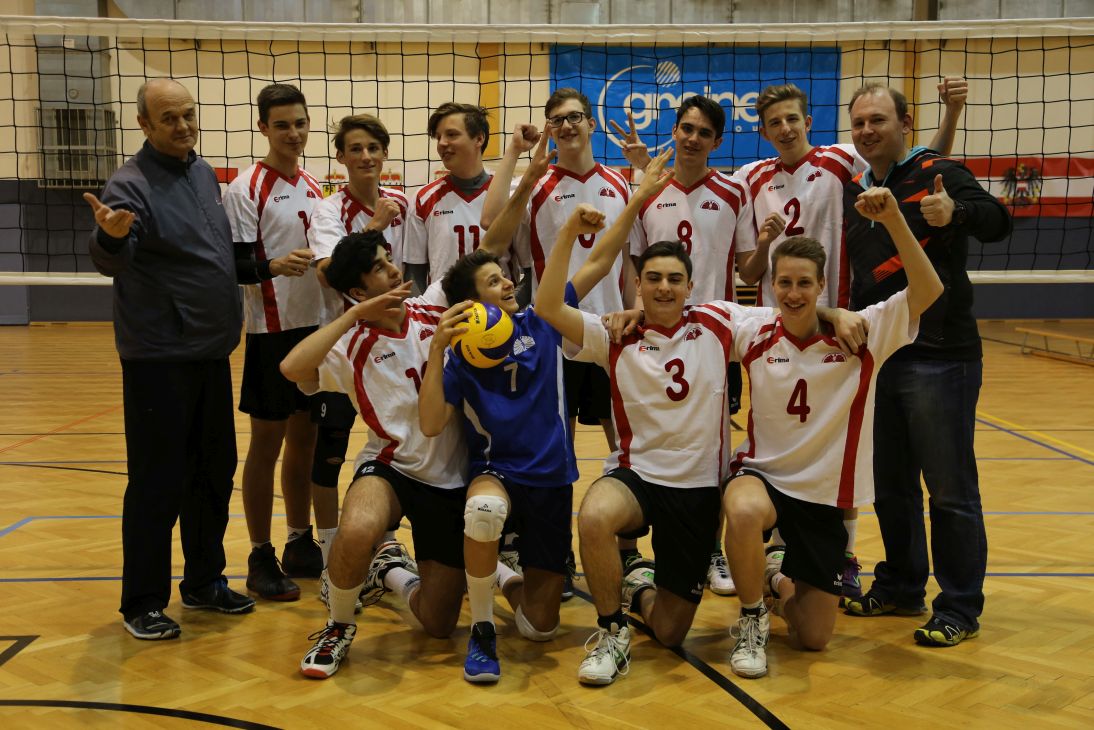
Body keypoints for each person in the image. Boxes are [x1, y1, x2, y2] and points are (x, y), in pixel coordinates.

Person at [533, 191, 865, 686]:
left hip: (696, 493)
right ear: (638, 285)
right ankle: (612, 631)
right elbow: (546, 307)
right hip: (637, 476)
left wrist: (835, 314)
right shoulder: (614, 334)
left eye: (674, 279)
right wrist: (566, 234)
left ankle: (639, 584)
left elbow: (795, 311)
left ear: (690, 286)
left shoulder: (720, 321)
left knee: (669, 631)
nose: (664, 287)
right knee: (596, 515)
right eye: (653, 278)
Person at [418, 140, 674, 683]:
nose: (507, 282)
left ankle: (499, 573)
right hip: (496, 473)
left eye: (505, 275)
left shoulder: (543, 322)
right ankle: (482, 630)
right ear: (471, 303)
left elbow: (599, 260)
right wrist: (437, 351)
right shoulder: (459, 355)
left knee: (539, 627)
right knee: (482, 511)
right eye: (494, 281)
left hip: (551, 480)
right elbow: (432, 424)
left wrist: (638, 197)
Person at [732, 77, 968, 599]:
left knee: (844, 441)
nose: (785, 128)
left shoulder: (842, 159)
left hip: (845, 326)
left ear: (808, 121)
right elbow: (747, 269)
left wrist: (950, 117)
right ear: (763, 130)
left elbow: (915, 169)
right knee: (782, 435)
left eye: (792, 119)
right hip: (780, 331)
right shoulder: (750, 177)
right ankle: (775, 550)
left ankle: (843, 554)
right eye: (774, 122)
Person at [722, 188, 944, 679]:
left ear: (823, 284)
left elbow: (928, 290)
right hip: (762, 478)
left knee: (814, 638)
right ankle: (752, 618)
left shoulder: (861, 334)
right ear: (772, 285)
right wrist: (630, 312)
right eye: (784, 283)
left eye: (805, 284)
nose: (793, 293)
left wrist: (895, 221)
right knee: (743, 510)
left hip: (822, 499)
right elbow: (686, 312)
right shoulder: (755, 329)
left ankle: (775, 576)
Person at [840, 83, 1012, 647]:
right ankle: (901, 585)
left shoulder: (940, 173)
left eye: (878, 120)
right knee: (891, 486)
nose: (867, 130)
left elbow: (998, 220)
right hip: (883, 355)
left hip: (941, 355)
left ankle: (959, 606)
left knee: (950, 490)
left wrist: (955, 211)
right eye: (859, 122)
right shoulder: (858, 188)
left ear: (905, 123)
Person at [85, 78, 255, 641]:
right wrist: (111, 238)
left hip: (209, 351)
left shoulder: (201, 172)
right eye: (169, 119)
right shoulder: (129, 184)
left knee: (213, 472)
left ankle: (204, 581)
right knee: (157, 481)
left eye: (188, 114)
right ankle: (142, 601)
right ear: (144, 125)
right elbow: (112, 258)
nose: (183, 126)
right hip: (158, 358)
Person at [611, 94, 785, 597]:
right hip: (654, 339)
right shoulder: (649, 189)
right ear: (674, 131)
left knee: (714, 447)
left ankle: (711, 548)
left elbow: (748, 271)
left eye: (703, 133)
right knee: (646, 435)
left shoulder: (733, 191)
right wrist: (633, 311)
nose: (692, 138)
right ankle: (635, 540)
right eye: (686, 128)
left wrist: (767, 242)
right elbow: (636, 265)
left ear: (717, 141)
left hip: (713, 342)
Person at [280, 231, 460, 680]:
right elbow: (292, 368)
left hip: (449, 476)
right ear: (358, 292)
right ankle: (338, 626)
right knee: (358, 528)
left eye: (389, 259)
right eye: (380, 267)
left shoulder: (433, 307)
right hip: (390, 466)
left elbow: (490, 244)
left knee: (439, 624)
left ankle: (391, 571)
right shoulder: (350, 344)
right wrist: (354, 315)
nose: (395, 271)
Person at [510, 87, 647, 590]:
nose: (566, 126)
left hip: (612, 331)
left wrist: (634, 314)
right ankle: (556, 552)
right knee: (557, 448)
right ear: (548, 129)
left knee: (623, 440)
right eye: (556, 120)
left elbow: (627, 261)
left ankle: (629, 552)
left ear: (591, 123)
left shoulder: (618, 182)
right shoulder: (536, 186)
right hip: (555, 335)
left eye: (574, 118)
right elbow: (507, 247)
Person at [222, 83, 324, 602]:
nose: (293, 133)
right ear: (263, 127)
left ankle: (300, 540)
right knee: (266, 445)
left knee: (305, 441)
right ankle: (260, 553)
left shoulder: (314, 184)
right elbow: (236, 264)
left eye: (300, 123)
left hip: (314, 329)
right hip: (270, 332)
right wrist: (273, 266)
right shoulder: (245, 188)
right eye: (282, 125)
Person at [305, 114, 407, 591]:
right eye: (355, 149)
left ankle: (385, 545)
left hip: (397, 347)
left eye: (373, 148)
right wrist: (373, 227)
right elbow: (329, 273)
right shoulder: (329, 210)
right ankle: (331, 557)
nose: (365, 156)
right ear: (341, 157)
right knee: (330, 452)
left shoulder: (404, 204)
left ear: (384, 153)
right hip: (345, 347)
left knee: (392, 445)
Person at [403, 103, 534, 291]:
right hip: (442, 309)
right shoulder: (422, 199)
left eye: (451, 135)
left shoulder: (510, 195)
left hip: (499, 309)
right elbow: (414, 276)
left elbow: (530, 273)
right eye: (438, 137)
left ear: (479, 138)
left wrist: (511, 306)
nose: (442, 143)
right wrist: (427, 309)